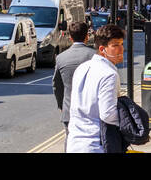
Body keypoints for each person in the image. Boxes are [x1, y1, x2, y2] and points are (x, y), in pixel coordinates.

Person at [66, 24, 126, 153]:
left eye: (121, 44)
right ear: (102, 49)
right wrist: (129, 120)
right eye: (115, 45)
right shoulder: (109, 74)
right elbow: (108, 114)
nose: (121, 49)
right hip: (96, 145)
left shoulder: (82, 68)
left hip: (74, 144)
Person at [52, 20, 96, 129]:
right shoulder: (95, 56)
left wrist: (61, 106)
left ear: (71, 38)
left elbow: (57, 85)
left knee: (71, 143)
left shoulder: (61, 58)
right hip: (92, 113)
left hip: (69, 112)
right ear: (87, 36)